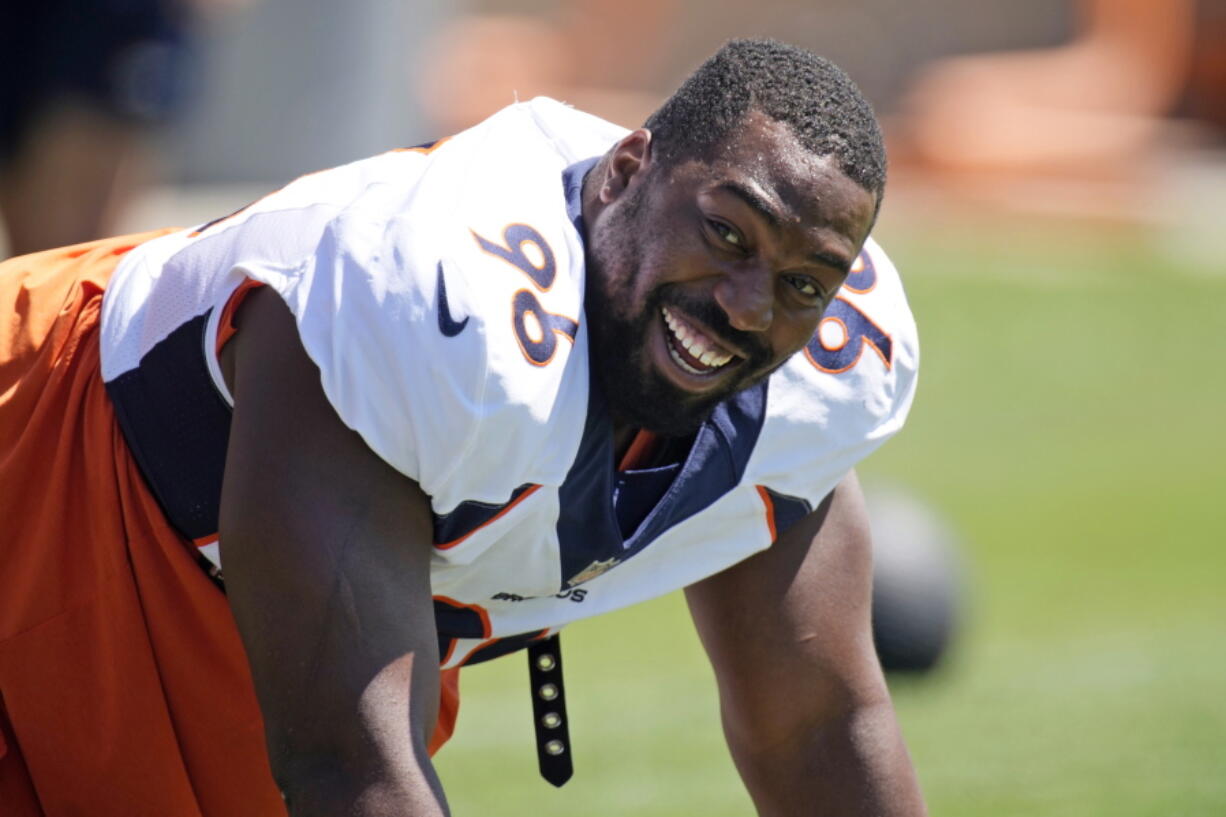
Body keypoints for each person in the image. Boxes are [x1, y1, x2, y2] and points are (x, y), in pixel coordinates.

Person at [0, 39, 926, 816]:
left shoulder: (814, 389)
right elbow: (349, 768)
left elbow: (817, 726)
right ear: (627, 171)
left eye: (803, 283)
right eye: (727, 234)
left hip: (220, 607)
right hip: (44, 459)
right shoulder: (432, 298)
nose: (749, 307)